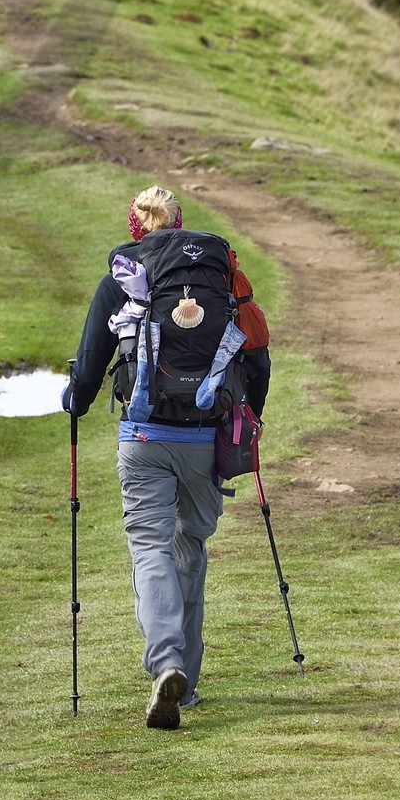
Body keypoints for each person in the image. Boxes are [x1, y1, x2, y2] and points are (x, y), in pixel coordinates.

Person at [63, 184, 271, 731]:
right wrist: (249, 420)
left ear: (136, 227)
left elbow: (91, 360)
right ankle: (188, 684)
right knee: (189, 548)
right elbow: (258, 357)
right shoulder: (222, 273)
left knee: (149, 547)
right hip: (205, 438)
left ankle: (166, 663)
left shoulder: (123, 274)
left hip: (144, 437)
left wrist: (76, 400)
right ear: (180, 223)